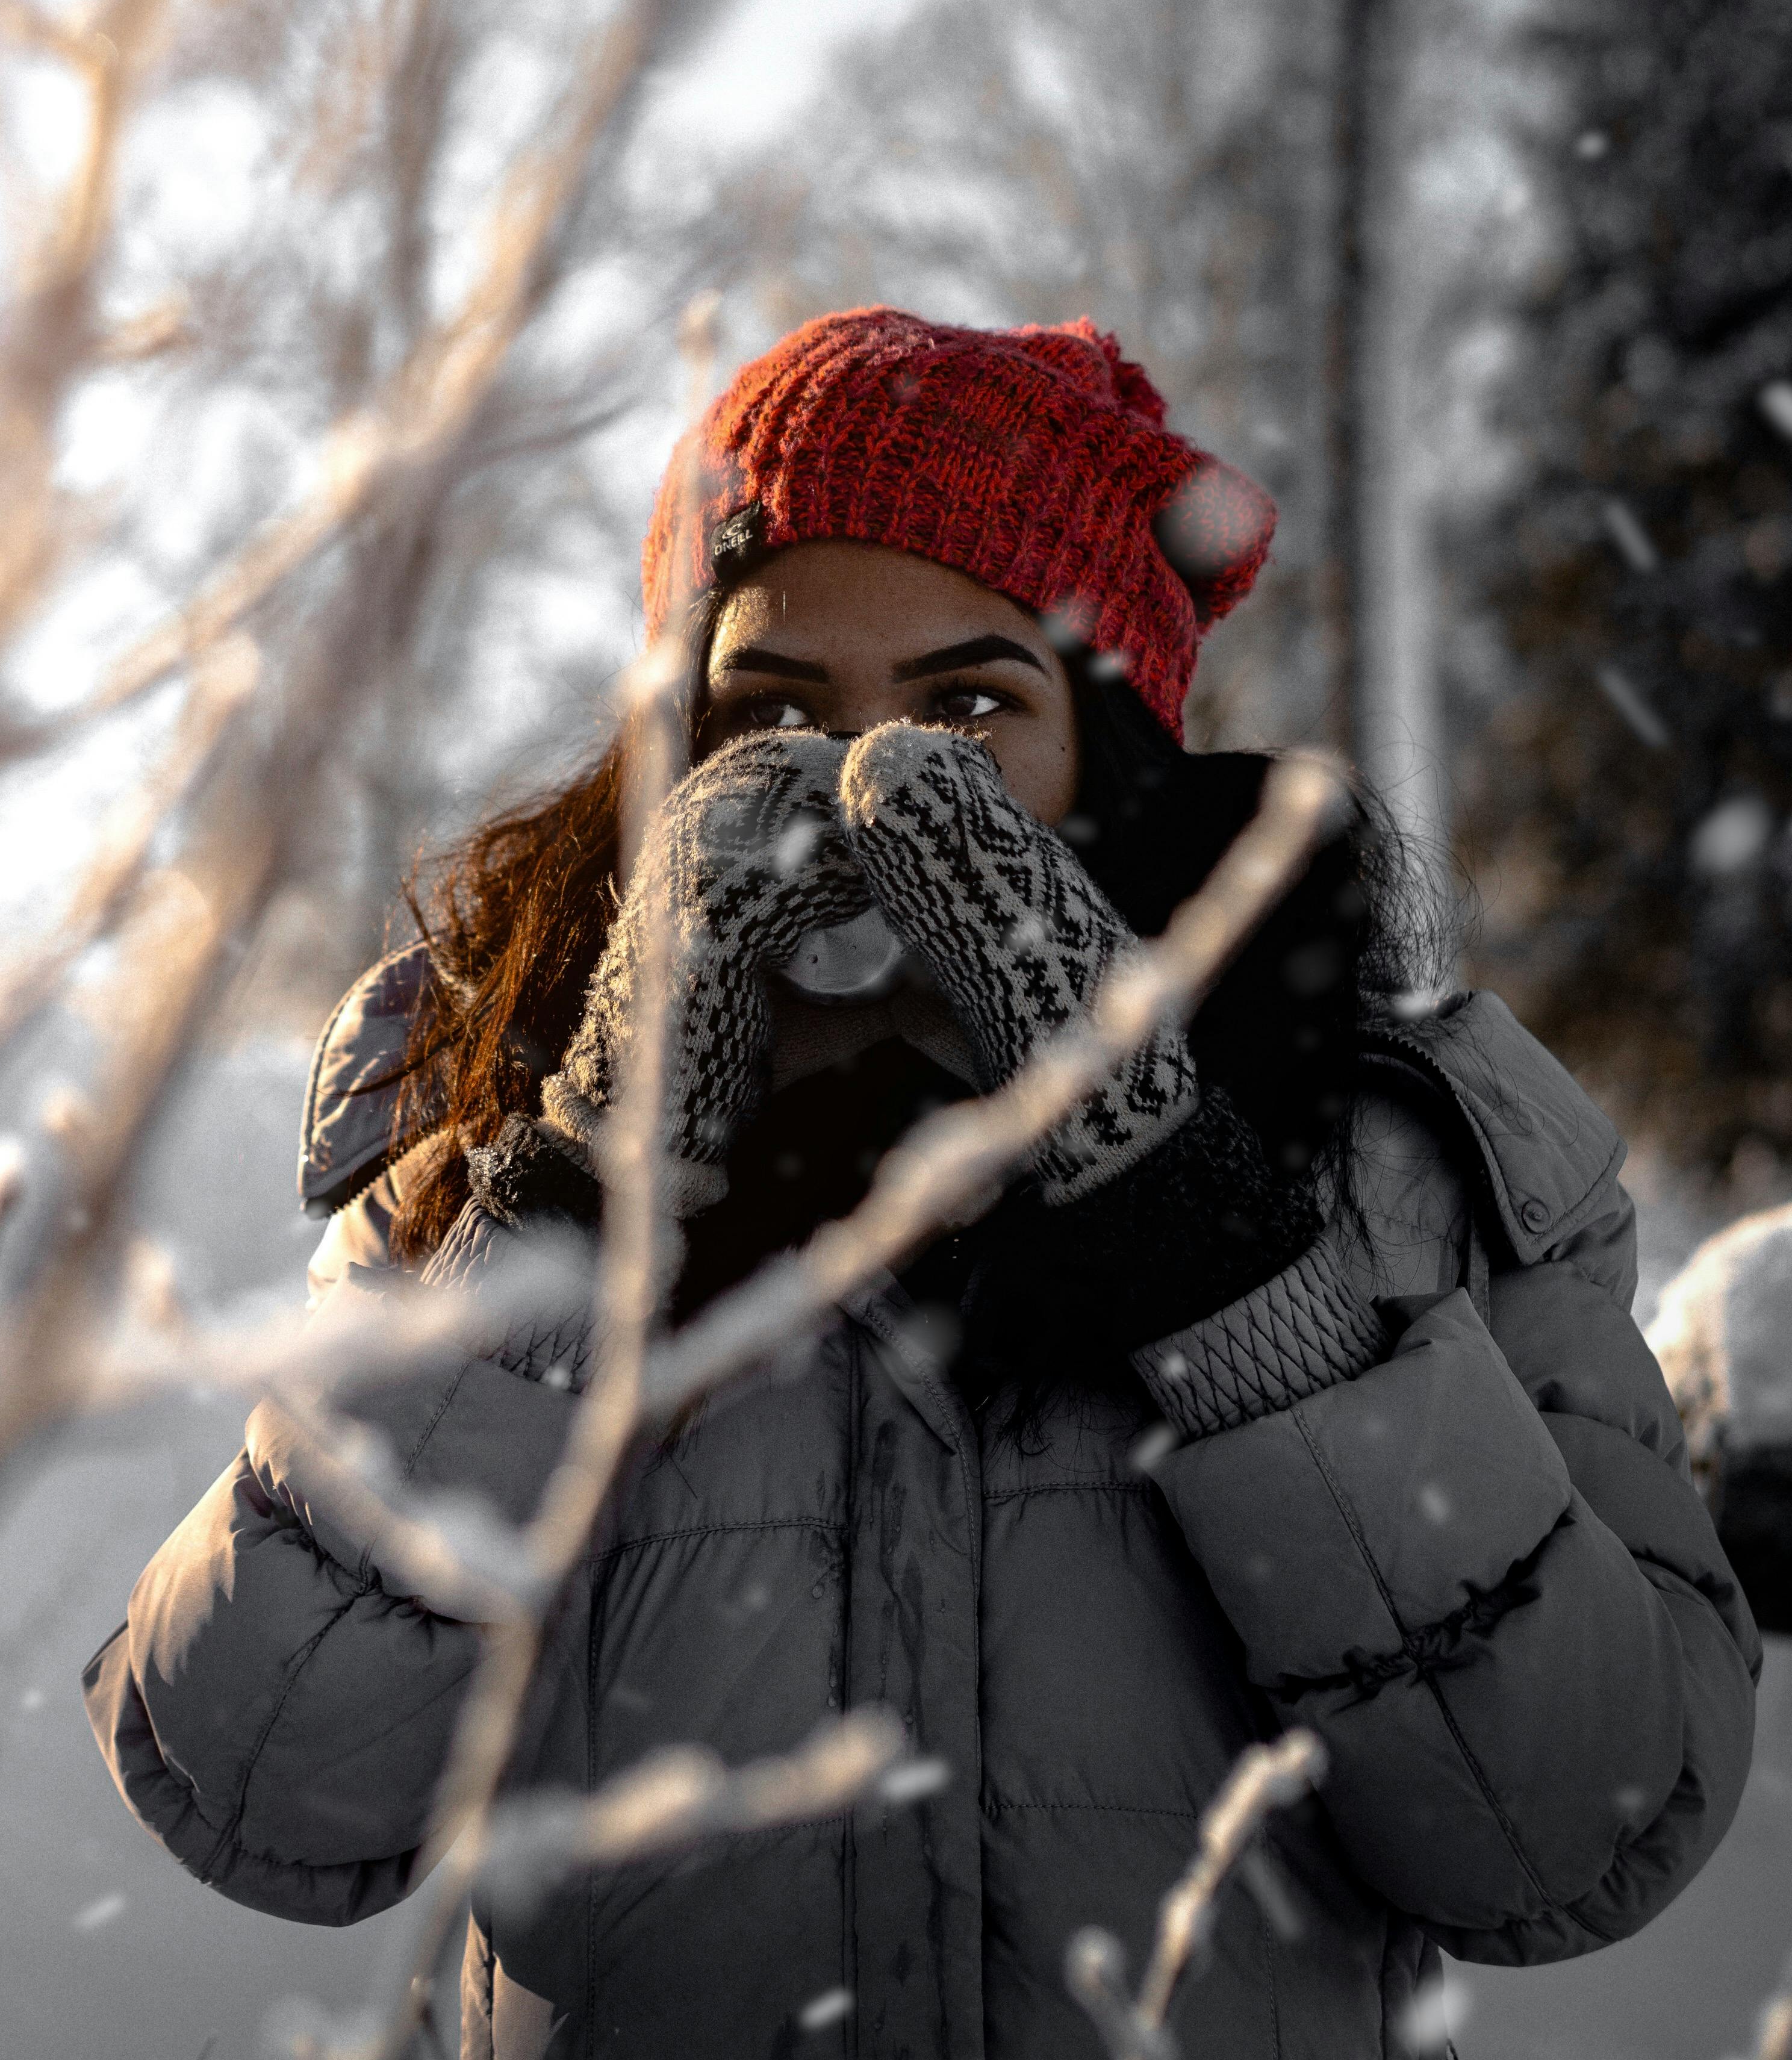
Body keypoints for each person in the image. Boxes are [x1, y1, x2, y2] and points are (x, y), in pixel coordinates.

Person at [84, 309, 1758, 2060]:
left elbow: (1576, 1830)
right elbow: (260, 1789)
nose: (862, 798)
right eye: (770, 714)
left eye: (971, 706)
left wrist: (1229, 1273)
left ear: (1110, 755)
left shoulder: (1399, 1164)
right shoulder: (477, 1162)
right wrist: (573, 1220)